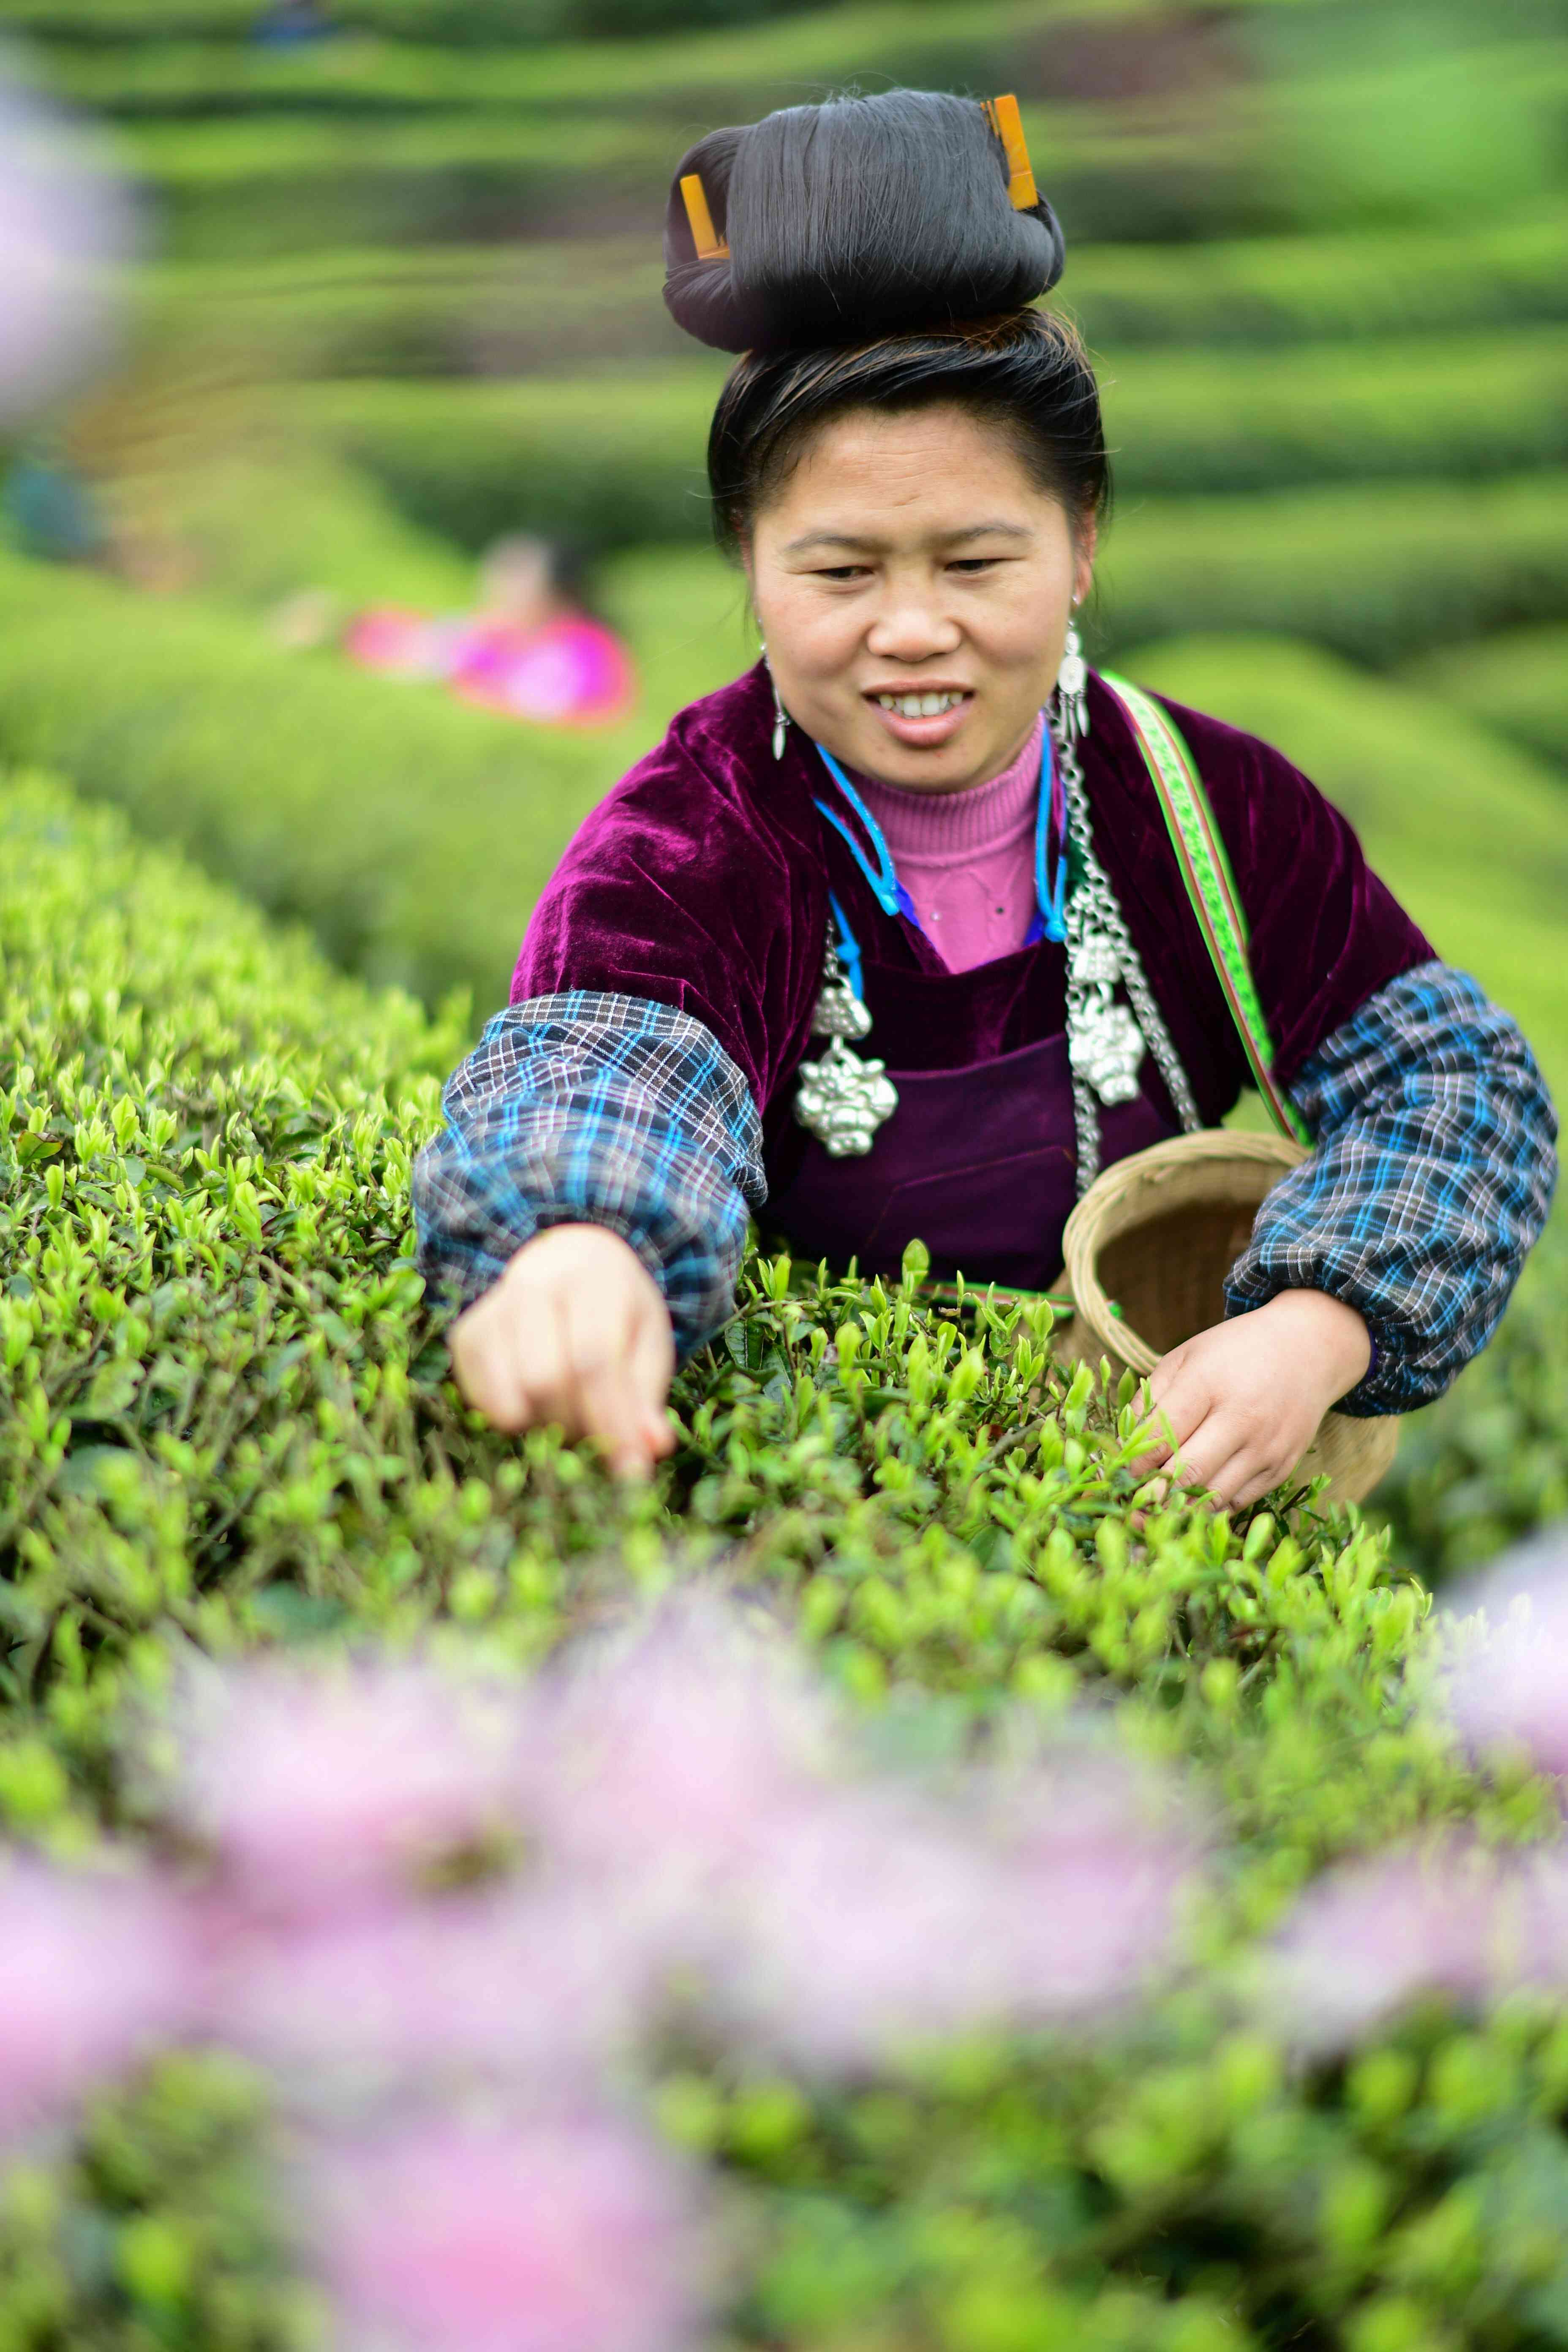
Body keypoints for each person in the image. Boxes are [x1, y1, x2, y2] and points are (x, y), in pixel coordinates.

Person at [412, 89, 1556, 1502]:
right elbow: (615, 1067)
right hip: (836, 1532)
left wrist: (1317, 1328)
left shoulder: (1207, 801)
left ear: (1080, 543)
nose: (908, 630)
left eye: (973, 563)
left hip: (1169, 1530)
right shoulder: (695, 834)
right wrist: (580, 1242)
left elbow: (1453, 1083)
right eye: (840, 572)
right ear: (748, 561)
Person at [344, 535, 633, 728]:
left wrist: (491, 702)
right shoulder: (492, 634)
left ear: (560, 593)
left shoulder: (588, 648)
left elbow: (601, 718)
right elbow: (415, 644)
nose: (497, 590)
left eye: (516, 580)